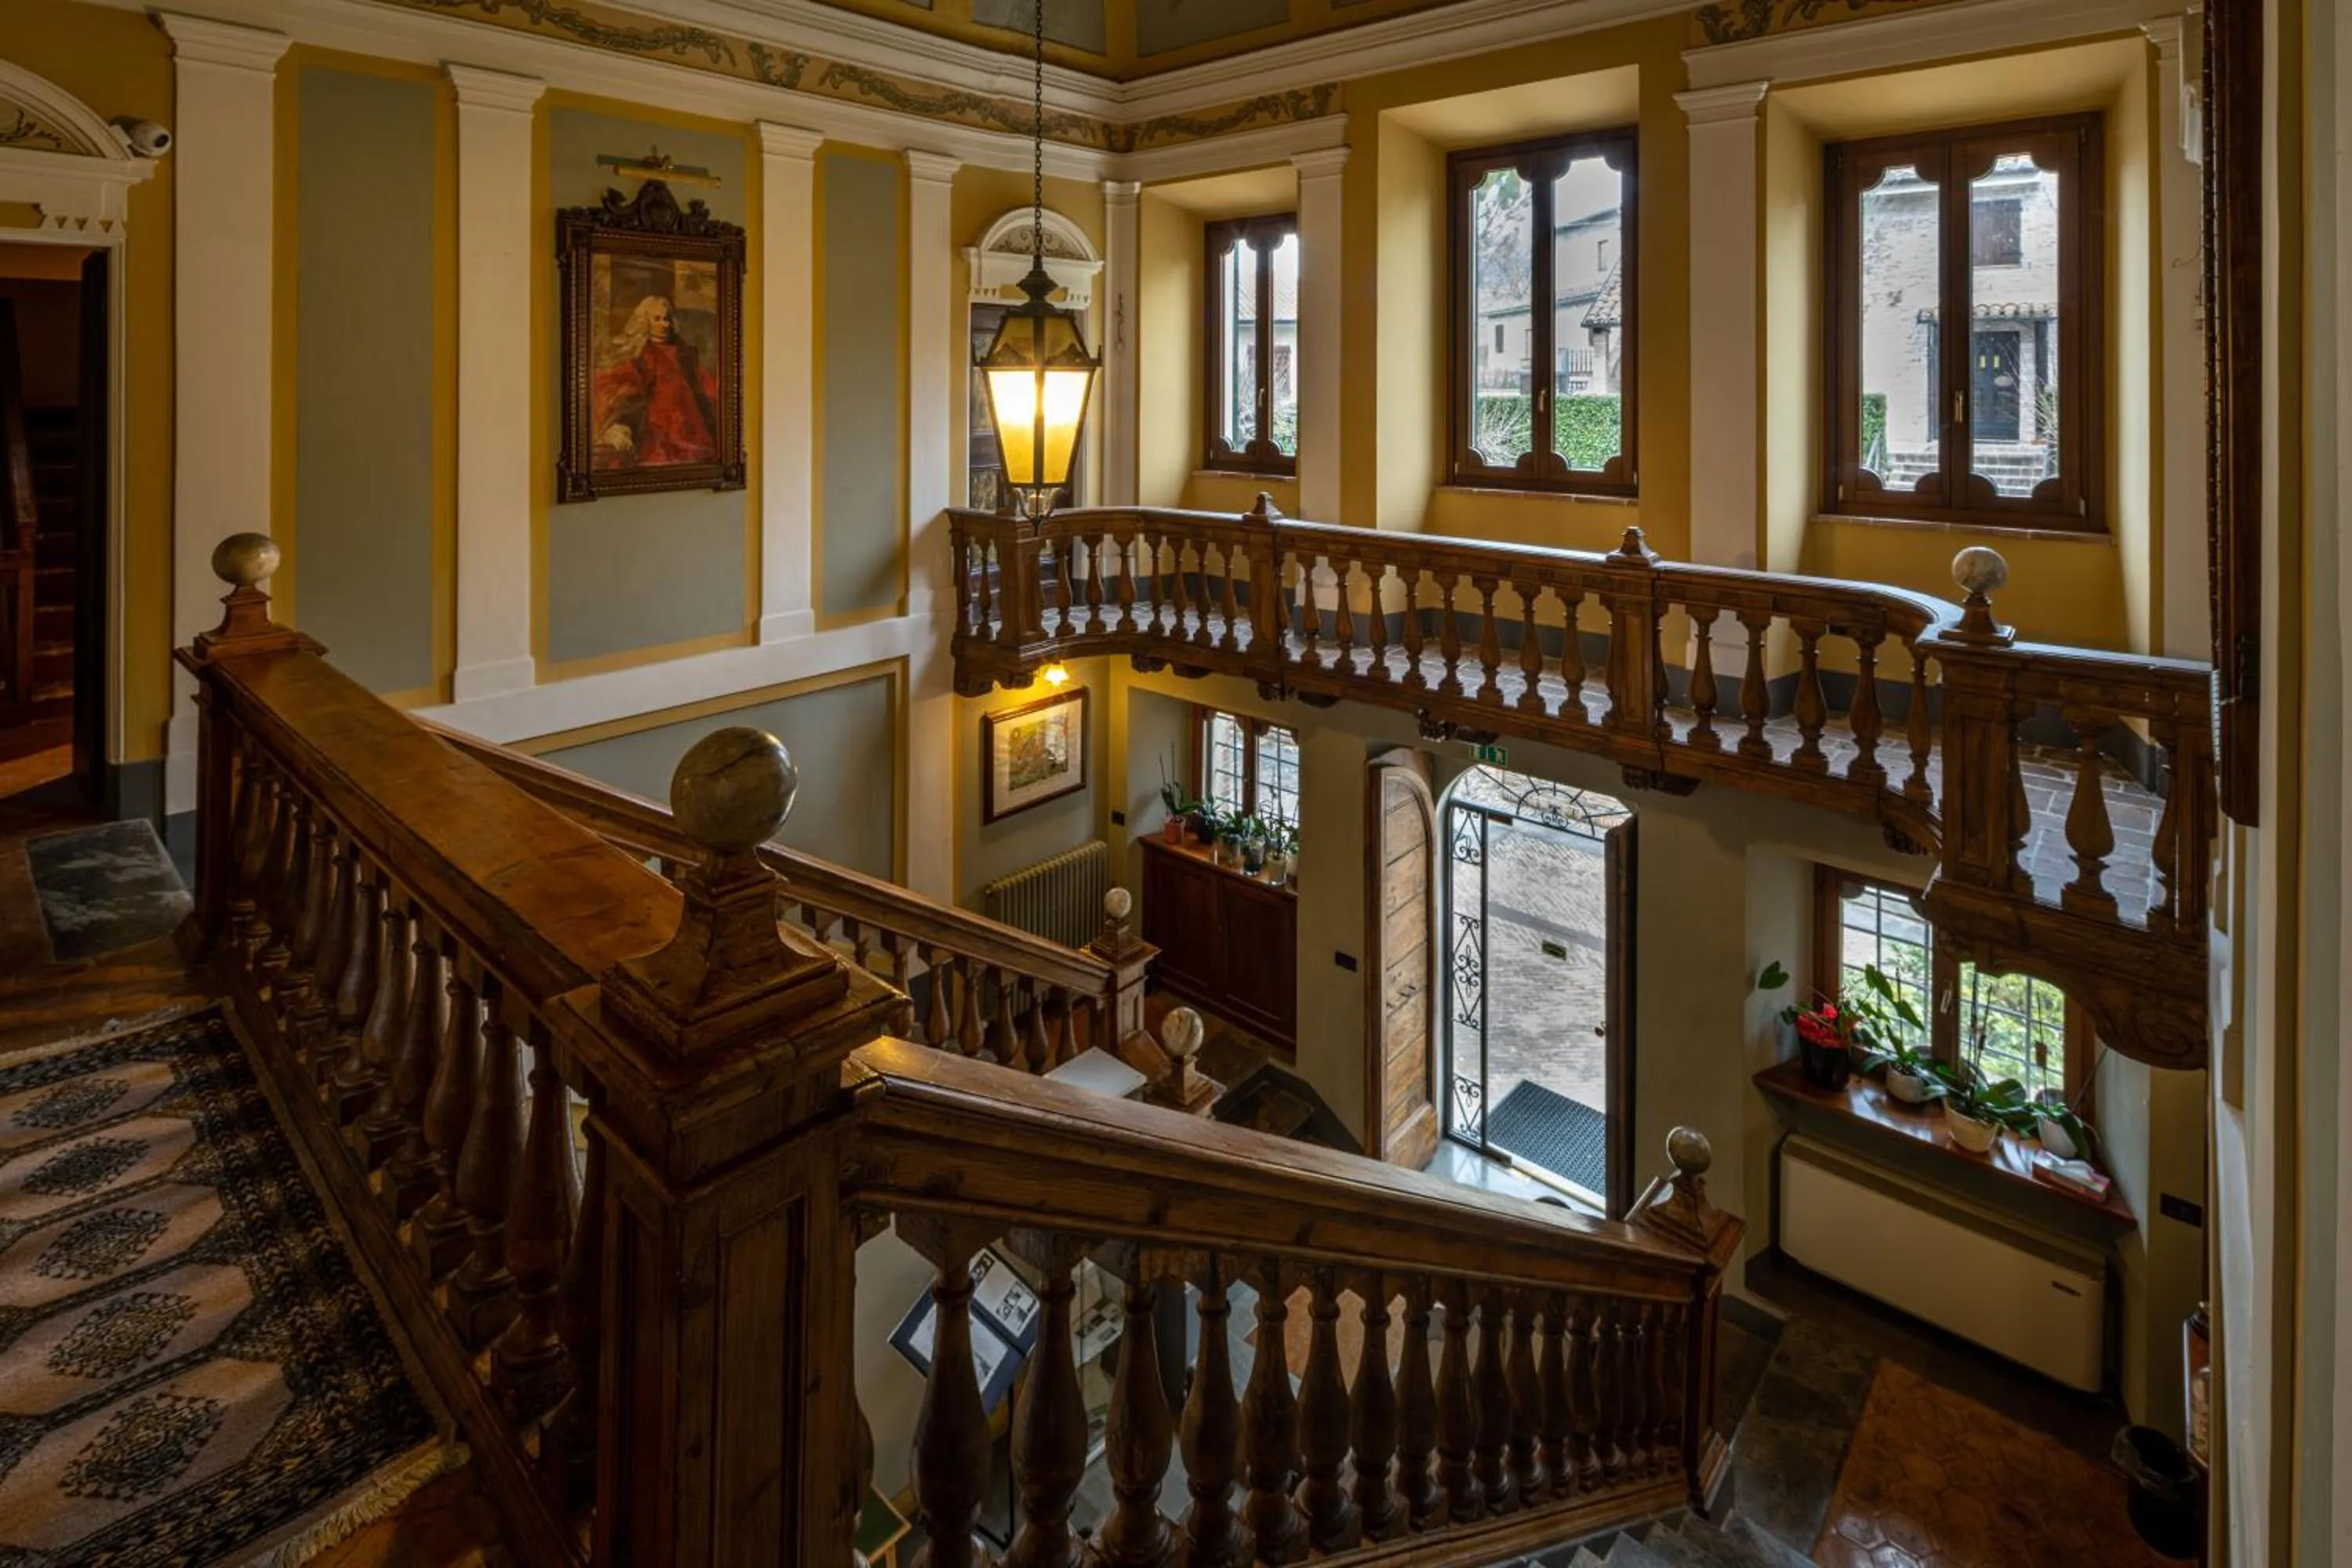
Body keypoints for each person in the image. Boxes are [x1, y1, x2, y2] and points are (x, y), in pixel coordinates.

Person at [591, 293, 719, 469]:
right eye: (657, 319)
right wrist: (616, 426)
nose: (664, 324)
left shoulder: (685, 354)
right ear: (645, 322)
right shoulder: (640, 356)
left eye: (667, 319)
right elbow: (621, 393)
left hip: (691, 427)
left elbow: (706, 388)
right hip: (655, 429)